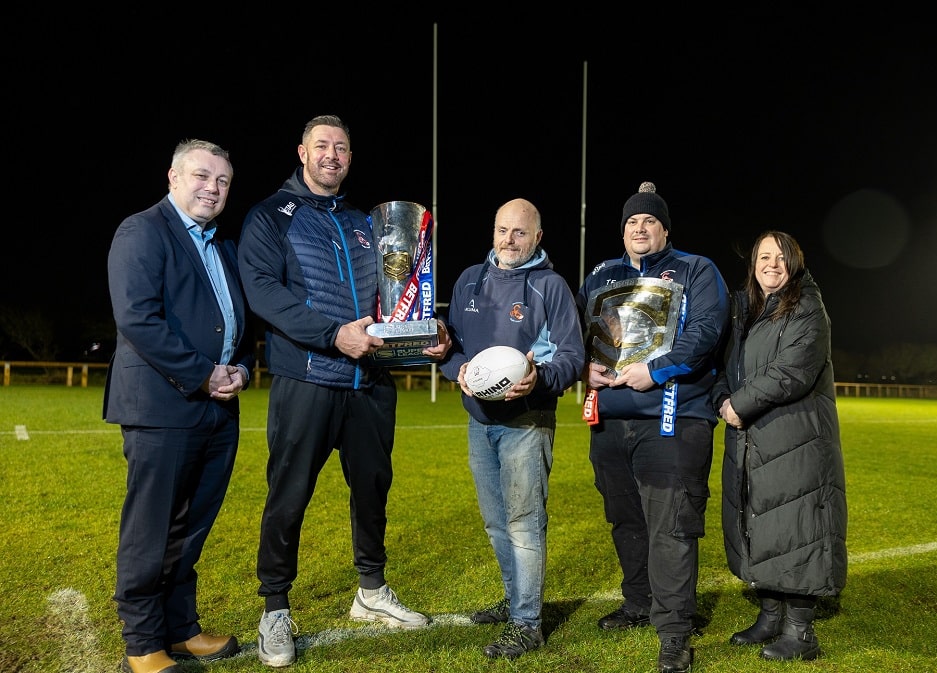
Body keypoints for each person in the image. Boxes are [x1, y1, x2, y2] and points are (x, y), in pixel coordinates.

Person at [237, 114, 452, 668]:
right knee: (288, 498)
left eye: (342, 147)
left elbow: (393, 296)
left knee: (373, 492)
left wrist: (422, 332)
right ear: (302, 152)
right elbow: (261, 292)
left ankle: (371, 590)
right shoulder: (270, 217)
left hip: (371, 384)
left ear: (350, 158)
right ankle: (275, 608)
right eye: (322, 146)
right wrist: (332, 335)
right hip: (307, 381)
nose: (332, 154)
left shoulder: (367, 222)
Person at [104, 139, 254, 673]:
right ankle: (143, 643)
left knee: (190, 528)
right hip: (162, 409)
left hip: (217, 409)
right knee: (152, 528)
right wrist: (202, 374)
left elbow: (235, 325)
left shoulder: (222, 245)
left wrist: (239, 368)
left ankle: (180, 627)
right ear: (173, 176)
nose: (212, 188)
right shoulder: (142, 231)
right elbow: (138, 318)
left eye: (222, 181)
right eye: (201, 176)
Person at [576, 181, 730, 673]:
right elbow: (575, 331)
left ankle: (674, 632)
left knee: (672, 525)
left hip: (674, 417)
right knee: (626, 519)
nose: (639, 228)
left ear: (665, 228)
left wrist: (657, 369)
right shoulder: (602, 274)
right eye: (631, 222)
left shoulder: (697, 269)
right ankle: (638, 602)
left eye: (648, 221)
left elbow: (708, 330)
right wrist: (583, 365)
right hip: (610, 421)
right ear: (622, 232)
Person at [440, 198, 585, 659]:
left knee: (524, 524)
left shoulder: (550, 286)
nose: (509, 240)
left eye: (520, 232)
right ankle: (514, 600)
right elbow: (452, 346)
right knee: (496, 524)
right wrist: (456, 370)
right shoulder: (469, 280)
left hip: (527, 422)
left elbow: (573, 356)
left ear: (537, 237)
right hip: (479, 422)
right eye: (502, 230)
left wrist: (539, 378)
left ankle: (527, 624)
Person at [712, 230, 847, 662]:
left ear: (795, 263)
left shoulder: (807, 307)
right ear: (753, 262)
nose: (772, 264)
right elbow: (725, 365)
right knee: (762, 521)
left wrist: (740, 404)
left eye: (781, 257)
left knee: (798, 525)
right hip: (752, 436)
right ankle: (771, 616)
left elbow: (793, 370)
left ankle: (800, 631)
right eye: (764, 257)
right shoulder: (745, 310)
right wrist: (721, 398)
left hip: (797, 437)